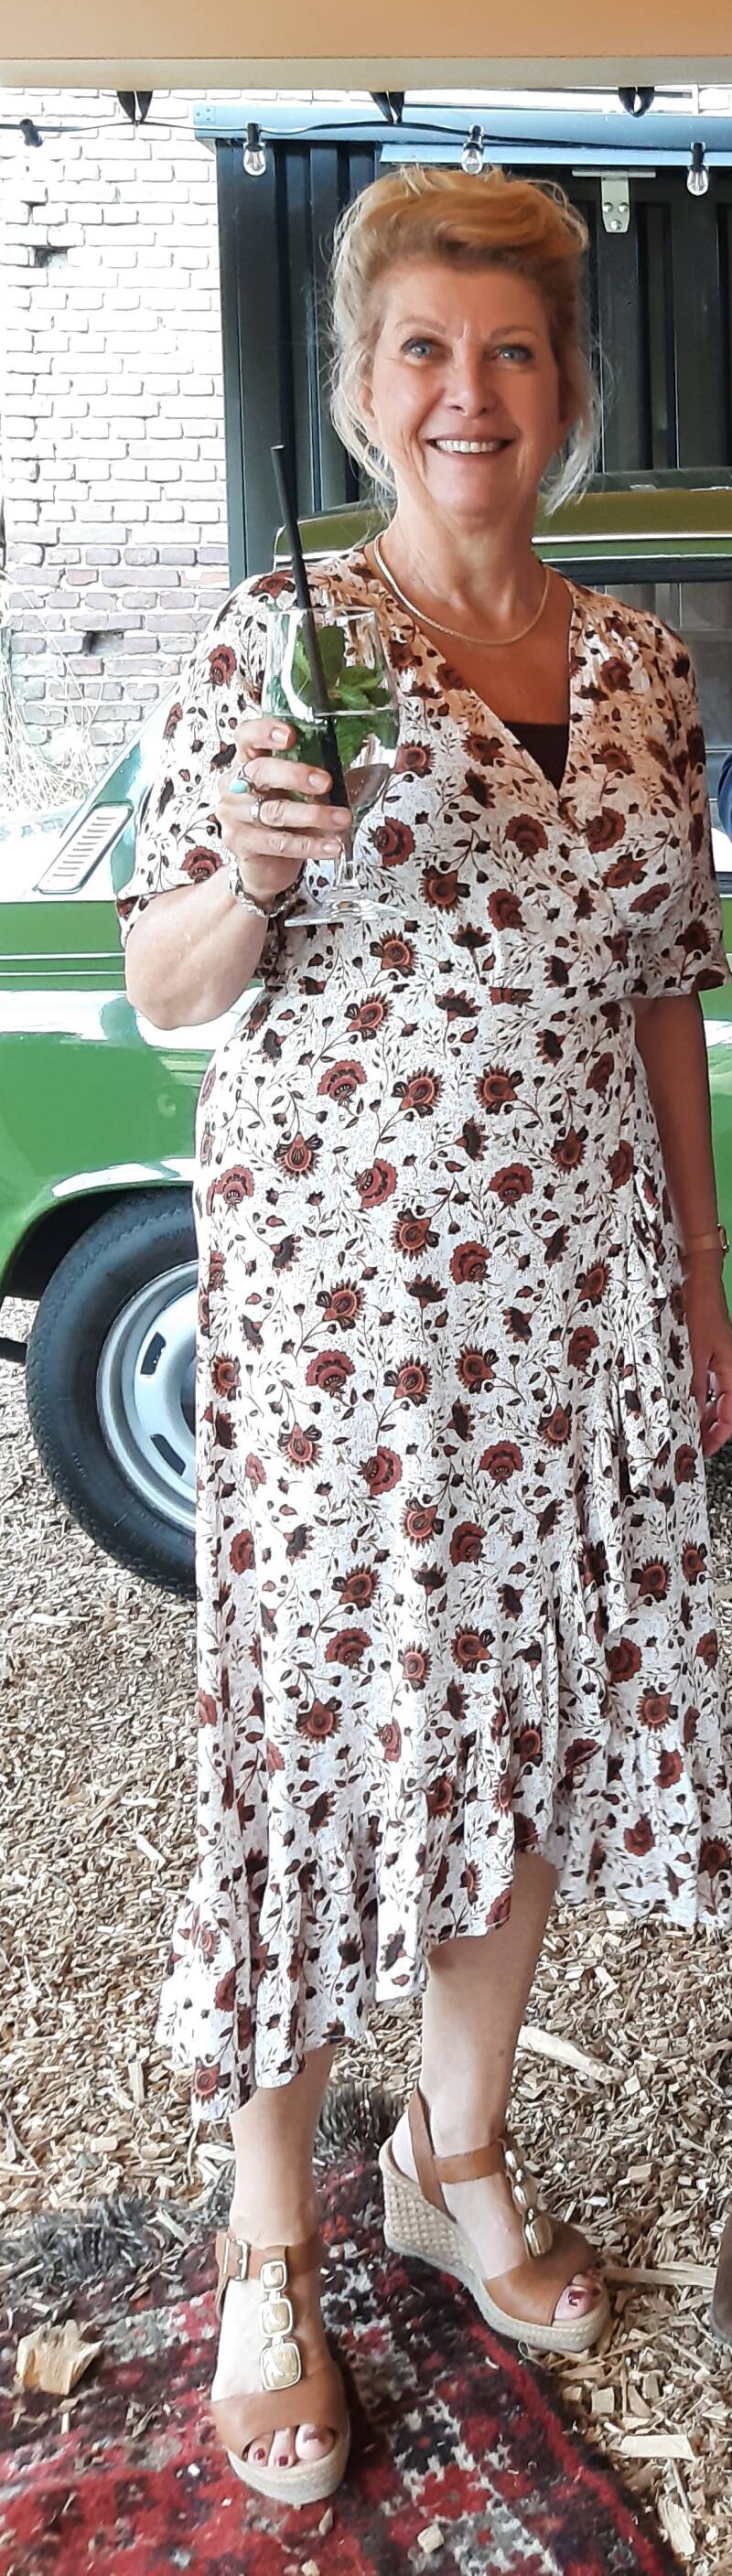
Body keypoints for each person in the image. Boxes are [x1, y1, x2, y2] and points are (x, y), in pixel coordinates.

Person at [118, 166, 732, 2505]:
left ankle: (445, 2159)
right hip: (350, 1315)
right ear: (362, 390)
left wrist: (697, 1273)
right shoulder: (282, 640)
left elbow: (662, 986)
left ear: (567, 391)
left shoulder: (639, 664)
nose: (469, 392)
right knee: (309, 1735)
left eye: (512, 351)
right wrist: (250, 870)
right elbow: (165, 988)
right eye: (423, 351)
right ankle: (267, 2229)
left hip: (580, 1295)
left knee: (535, 1720)